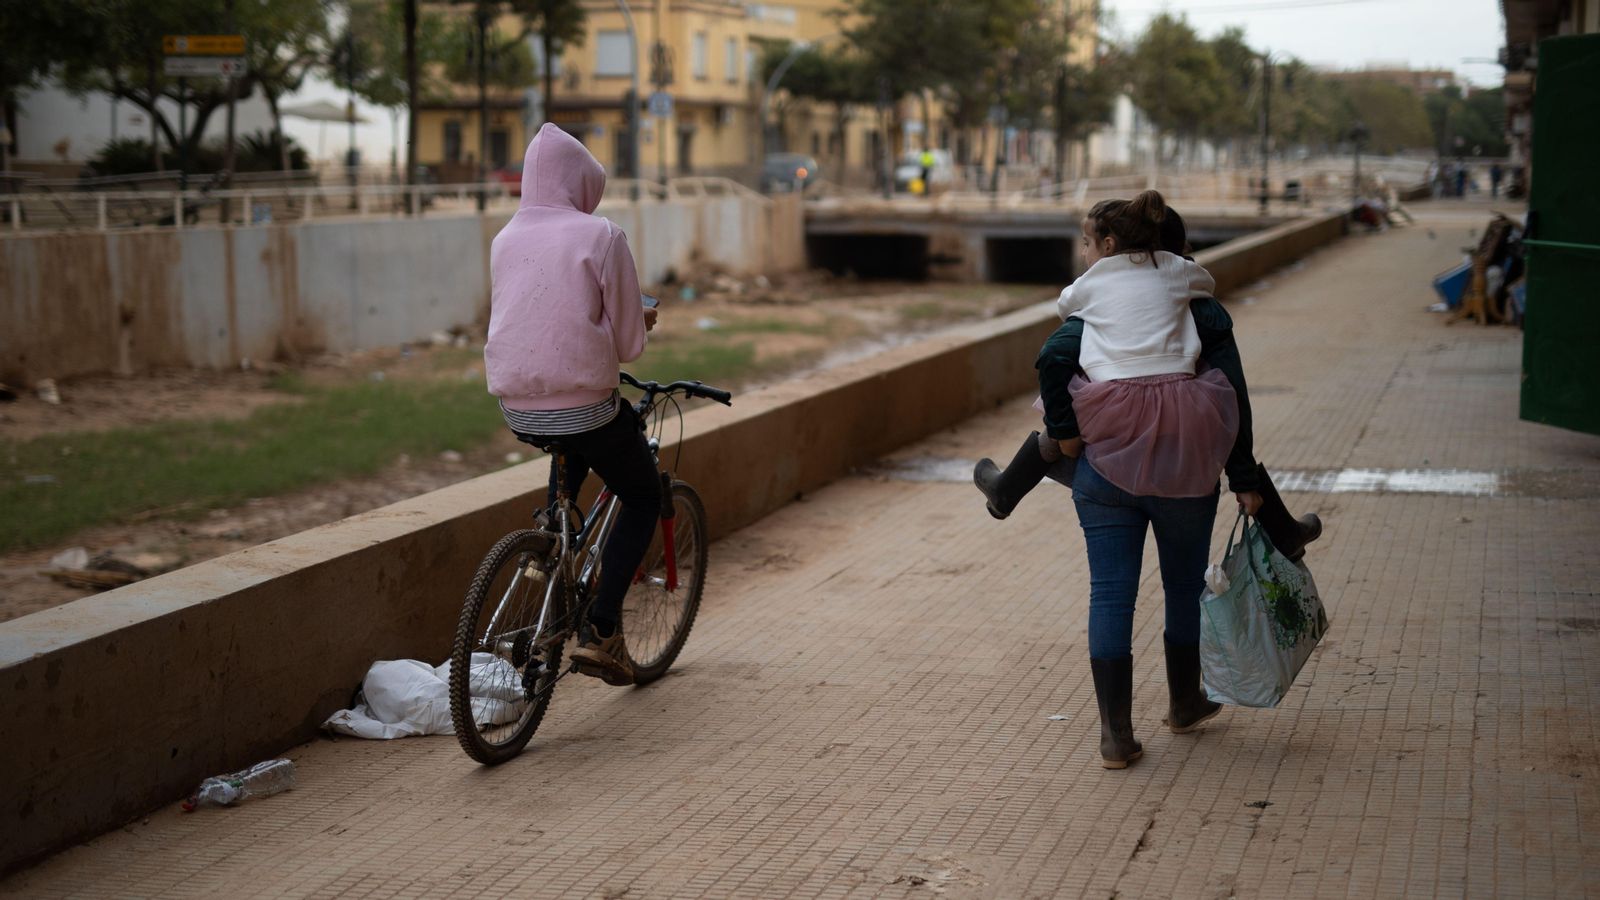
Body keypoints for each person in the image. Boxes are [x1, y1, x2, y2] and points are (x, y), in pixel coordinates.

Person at [484, 122, 659, 686]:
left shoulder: (504, 239)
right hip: (586, 405)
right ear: (582, 182)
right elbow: (629, 344)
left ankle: (548, 545)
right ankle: (602, 630)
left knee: (570, 438)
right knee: (643, 494)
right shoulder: (601, 235)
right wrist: (642, 319)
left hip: (516, 405)